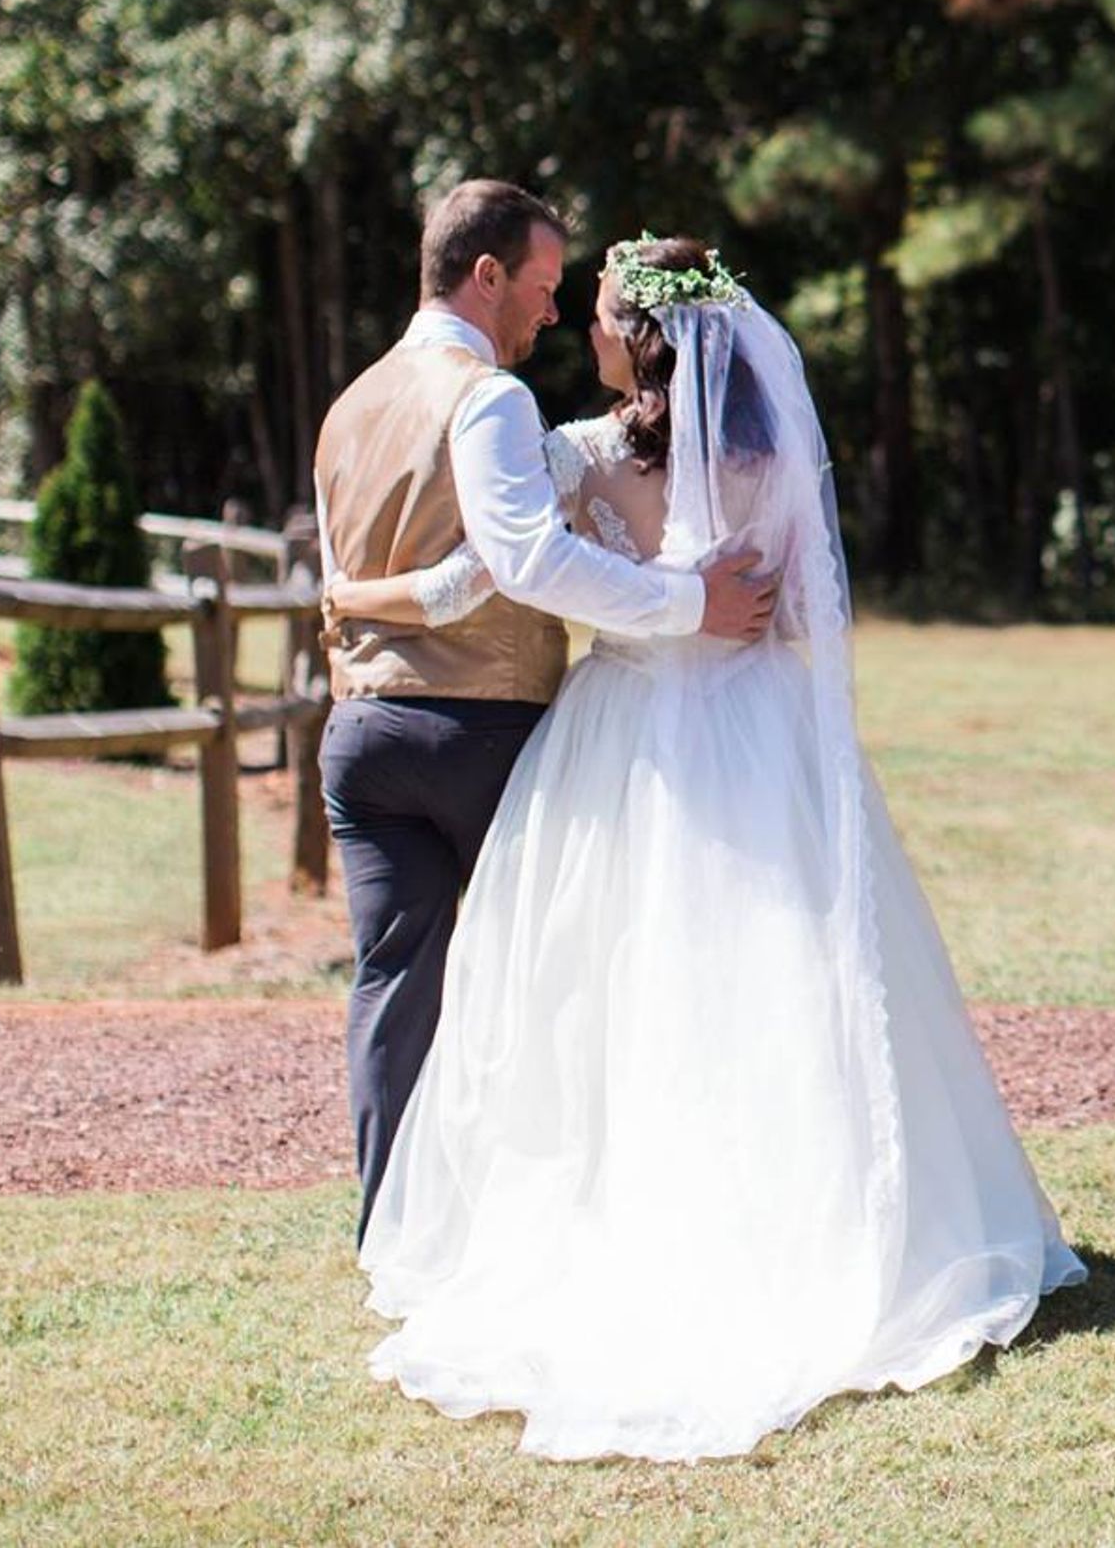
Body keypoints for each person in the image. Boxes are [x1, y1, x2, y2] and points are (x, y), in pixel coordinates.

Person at [323, 233, 1083, 1461]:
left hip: (626, 742)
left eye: (609, 314)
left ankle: (651, 1227)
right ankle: (816, 1223)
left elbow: (482, 579)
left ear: (649, 339)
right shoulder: (778, 459)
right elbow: (799, 610)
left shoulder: (578, 455)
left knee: (621, 992)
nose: (589, 328)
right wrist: (730, 624)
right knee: (774, 980)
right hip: (755, 735)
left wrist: (361, 599)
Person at [312, 181, 779, 1236]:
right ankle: (575, 1215)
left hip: (361, 733)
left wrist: (352, 601)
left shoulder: (348, 405)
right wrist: (688, 604)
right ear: (487, 276)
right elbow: (520, 562)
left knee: (393, 982)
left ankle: (393, 1230)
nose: (554, 313)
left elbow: (390, 569)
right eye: (540, 285)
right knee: (560, 977)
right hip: (480, 726)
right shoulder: (491, 399)